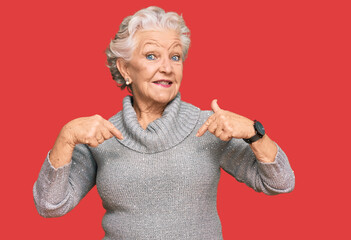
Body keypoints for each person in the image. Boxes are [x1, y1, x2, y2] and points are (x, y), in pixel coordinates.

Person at [33, 6, 295, 240]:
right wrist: (65, 137)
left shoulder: (209, 127)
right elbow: (50, 205)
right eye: (151, 56)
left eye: (175, 56)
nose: (167, 67)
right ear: (125, 69)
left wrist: (253, 133)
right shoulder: (100, 136)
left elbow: (280, 182)